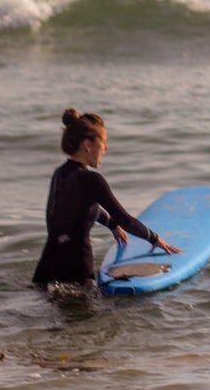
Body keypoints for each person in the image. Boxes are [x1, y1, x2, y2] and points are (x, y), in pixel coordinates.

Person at [32, 109, 180, 290]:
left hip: (46, 268)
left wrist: (112, 225)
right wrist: (154, 238)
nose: (106, 148)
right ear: (88, 144)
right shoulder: (91, 180)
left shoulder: (60, 174)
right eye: (103, 142)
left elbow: (77, 209)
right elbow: (126, 220)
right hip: (76, 270)